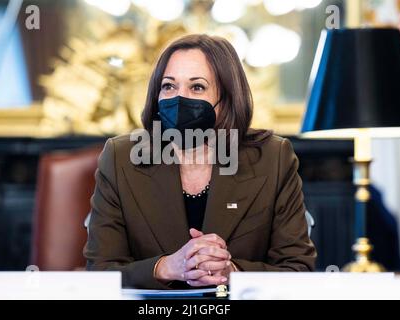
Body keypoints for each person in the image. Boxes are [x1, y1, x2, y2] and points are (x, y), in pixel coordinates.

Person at [84, 34, 316, 289]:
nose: (179, 98)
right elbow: (101, 270)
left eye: (197, 87)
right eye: (169, 86)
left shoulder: (273, 158)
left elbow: (297, 269)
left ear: (226, 98)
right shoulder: (120, 158)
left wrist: (231, 271)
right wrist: (166, 267)